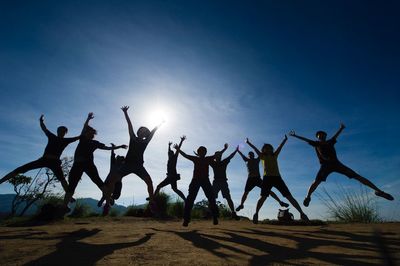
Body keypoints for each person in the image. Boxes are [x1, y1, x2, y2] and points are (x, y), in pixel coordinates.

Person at [289, 123, 394, 207]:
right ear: (317, 137)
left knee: (357, 177)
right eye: (319, 135)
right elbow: (306, 140)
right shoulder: (316, 144)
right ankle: (308, 197)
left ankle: (379, 191)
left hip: (337, 164)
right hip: (325, 166)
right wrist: (295, 135)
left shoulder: (330, 142)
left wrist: (341, 128)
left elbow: (336, 135)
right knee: (316, 181)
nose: (321, 136)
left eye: (323, 134)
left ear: (325, 136)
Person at [101, 106, 163, 213]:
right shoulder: (133, 138)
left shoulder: (145, 142)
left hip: (139, 166)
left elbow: (153, 131)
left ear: (145, 134)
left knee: (149, 182)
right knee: (112, 181)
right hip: (127, 165)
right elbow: (129, 125)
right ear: (138, 132)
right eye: (141, 130)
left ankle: (152, 202)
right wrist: (125, 113)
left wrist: (160, 123)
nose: (143, 132)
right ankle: (107, 204)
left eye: (145, 131)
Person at [0, 115, 80, 195]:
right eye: (60, 130)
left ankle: (69, 196)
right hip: (44, 160)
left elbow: (79, 137)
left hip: (54, 162)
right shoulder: (52, 136)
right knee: (20, 169)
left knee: (62, 179)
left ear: (65, 133)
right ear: (57, 131)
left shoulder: (66, 140)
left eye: (63, 131)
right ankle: (1, 181)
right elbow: (44, 129)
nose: (61, 132)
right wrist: (41, 121)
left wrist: (87, 122)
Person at [63, 112, 126, 209]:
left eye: (92, 133)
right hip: (77, 164)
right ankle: (64, 206)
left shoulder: (95, 143)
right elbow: (84, 127)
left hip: (89, 165)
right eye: (88, 132)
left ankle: (108, 201)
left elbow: (107, 148)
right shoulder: (82, 138)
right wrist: (88, 119)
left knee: (99, 182)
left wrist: (119, 147)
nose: (90, 133)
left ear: (93, 135)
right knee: (72, 184)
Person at [246, 137, 309, 224]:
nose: (268, 149)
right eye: (266, 148)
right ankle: (256, 214)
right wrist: (248, 143)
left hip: (277, 178)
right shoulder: (262, 156)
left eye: (270, 148)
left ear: (272, 149)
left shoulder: (275, 155)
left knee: (289, 196)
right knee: (263, 197)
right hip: (267, 178)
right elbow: (255, 148)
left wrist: (284, 140)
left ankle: (302, 213)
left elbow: (280, 147)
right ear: (263, 150)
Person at [176, 142, 224, 227]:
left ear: (205, 152)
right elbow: (185, 155)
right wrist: (178, 149)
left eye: (203, 151)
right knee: (191, 199)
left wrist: (224, 149)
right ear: (198, 153)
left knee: (211, 198)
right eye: (201, 151)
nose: (202, 153)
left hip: (205, 180)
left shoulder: (208, 159)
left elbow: (217, 155)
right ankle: (186, 219)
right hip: (196, 180)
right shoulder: (196, 159)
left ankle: (215, 217)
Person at [210, 144, 240, 220]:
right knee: (212, 198)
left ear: (220, 156)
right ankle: (213, 213)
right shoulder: (213, 163)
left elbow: (231, 156)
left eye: (219, 155)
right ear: (215, 157)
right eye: (216, 155)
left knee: (228, 197)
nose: (218, 156)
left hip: (223, 182)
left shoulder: (223, 162)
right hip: (216, 182)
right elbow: (207, 159)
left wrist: (235, 151)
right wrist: (224, 149)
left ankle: (233, 213)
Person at [154, 136, 187, 201]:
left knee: (174, 189)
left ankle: (185, 199)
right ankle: (153, 197)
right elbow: (168, 151)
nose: (169, 155)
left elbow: (177, 150)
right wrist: (168, 145)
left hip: (173, 177)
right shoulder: (169, 158)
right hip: (169, 177)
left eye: (170, 154)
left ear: (172, 154)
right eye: (169, 154)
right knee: (159, 186)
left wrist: (181, 141)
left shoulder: (174, 158)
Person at [97, 143, 125, 210]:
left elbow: (113, 156)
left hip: (116, 182)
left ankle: (108, 199)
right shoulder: (114, 164)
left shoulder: (122, 166)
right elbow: (112, 156)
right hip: (110, 181)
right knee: (106, 193)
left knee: (115, 195)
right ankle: (104, 200)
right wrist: (113, 148)